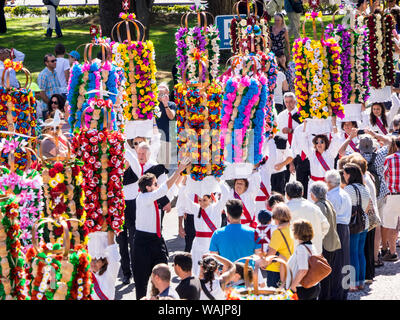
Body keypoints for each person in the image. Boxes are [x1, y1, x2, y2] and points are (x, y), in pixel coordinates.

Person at [132, 158, 190, 300]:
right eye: (155, 184)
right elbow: (164, 188)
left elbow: (171, 191)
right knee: (141, 281)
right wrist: (177, 171)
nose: (158, 186)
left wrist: (182, 173)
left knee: (163, 274)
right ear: (148, 187)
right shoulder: (143, 198)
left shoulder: (154, 196)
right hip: (142, 242)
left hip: (157, 240)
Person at [179, 179, 230, 276]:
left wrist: (219, 181)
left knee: (214, 272)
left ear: (211, 199)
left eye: (205, 200)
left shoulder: (217, 208)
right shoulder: (195, 208)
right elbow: (184, 197)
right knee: (197, 271)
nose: (201, 203)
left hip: (213, 244)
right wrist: (185, 183)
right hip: (198, 244)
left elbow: (226, 194)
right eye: (200, 200)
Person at [347, 153, 381, 284]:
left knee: (355, 252)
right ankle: (363, 279)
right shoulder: (365, 181)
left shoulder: (355, 186)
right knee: (362, 252)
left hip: (358, 222)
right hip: (366, 221)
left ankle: (356, 281)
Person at [309, 181, 341, 300]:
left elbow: (320, 227)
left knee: (323, 275)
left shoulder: (318, 206)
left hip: (325, 244)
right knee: (328, 274)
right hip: (333, 242)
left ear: (314, 194)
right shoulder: (327, 203)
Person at [342, 162, 371, 291]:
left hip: (352, 224)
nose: (343, 175)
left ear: (349, 175)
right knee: (360, 252)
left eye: (344, 173)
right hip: (364, 223)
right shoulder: (364, 188)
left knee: (352, 253)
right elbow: (368, 206)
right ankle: (360, 282)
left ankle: (352, 283)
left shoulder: (348, 189)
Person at [298, 118, 342, 198]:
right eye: (317, 142)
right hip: (314, 185)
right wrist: (305, 124)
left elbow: (337, 140)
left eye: (322, 142)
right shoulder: (311, 154)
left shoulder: (330, 153)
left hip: (328, 186)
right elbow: (302, 141)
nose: (319, 144)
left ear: (326, 143)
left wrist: (334, 124)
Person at [325, 169, 352, 300]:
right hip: (345, 227)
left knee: (335, 263)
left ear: (329, 183)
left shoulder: (332, 196)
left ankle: (335, 294)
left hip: (336, 228)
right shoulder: (344, 193)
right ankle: (342, 292)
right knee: (344, 261)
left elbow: (330, 216)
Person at [285, 181, 330, 255]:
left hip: (293, 253)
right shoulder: (314, 207)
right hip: (314, 251)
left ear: (286, 195)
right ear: (302, 192)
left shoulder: (284, 210)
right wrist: (317, 237)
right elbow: (326, 226)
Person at [285, 219, 321, 300]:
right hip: (312, 286)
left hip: (302, 288)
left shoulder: (301, 248)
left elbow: (303, 270)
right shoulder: (311, 246)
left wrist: (293, 287)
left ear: (297, 232)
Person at [265, 203, 294, 288]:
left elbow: (271, 254)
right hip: (286, 269)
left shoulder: (278, 232)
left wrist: (264, 264)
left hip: (275, 270)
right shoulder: (290, 229)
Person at [382, 136, 400, 261]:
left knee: (392, 225)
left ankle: (392, 252)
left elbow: (384, 176)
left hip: (394, 195)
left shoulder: (389, 159)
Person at [89, 231, 121, 300]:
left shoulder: (110, 273)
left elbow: (113, 256)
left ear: (104, 262)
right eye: (92, 260)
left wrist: (110, 233)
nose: (93, 263)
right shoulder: (87, 274)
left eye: (97, 260)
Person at [156, 83, 176, 168]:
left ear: (167, 93)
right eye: (159, 93)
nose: (161, 95)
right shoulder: (152, 104)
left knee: (164, 166)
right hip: (153, 138)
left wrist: (165, 105)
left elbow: (171, 117)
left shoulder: (171, 104)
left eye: (163, 93)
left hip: (166, 138)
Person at [37, 53, 62, 120]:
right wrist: (52, 105)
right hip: (48, 109)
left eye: (55, 60)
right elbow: (42, 93)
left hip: (57, 108)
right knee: (49, 129)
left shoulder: (55, 72)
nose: (55, 62)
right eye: (52, 61)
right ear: (46, 63)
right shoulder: (43, 75)